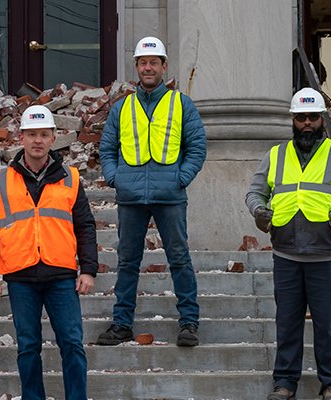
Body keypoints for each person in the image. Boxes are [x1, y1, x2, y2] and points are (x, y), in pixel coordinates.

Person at [246, 88, 331, 400]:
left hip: (326, 255)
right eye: (301, 117)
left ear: (322, 120)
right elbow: (254, 193)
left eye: (312, 117)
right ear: (293, 120)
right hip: (286, 255)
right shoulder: (275, 156)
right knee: (286, 324)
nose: (306, 123)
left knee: (327, 326)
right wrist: (259, 211)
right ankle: (285, 383)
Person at [0, 105, 98, 400]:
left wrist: (88, 269)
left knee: (71, 343)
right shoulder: (3, 180)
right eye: (32, 134)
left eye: (44, 134)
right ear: (21, 137)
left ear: (53, 138)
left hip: (60, 275)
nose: (37, 141)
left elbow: (84, 225)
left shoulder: (70, 178)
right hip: (20, 275)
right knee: (28, 347)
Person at [97, 36, 207, 347]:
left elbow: (197, 147)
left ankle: (188, 323)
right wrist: (114, 177)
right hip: (131, 197)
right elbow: (107, 148)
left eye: (154, 62)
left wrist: (180, 178)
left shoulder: (181, 104)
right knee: (127, 261)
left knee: (179, 259)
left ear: (164, 67)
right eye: (143, 63)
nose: (148, 67)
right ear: (136, 67)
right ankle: (121, 324)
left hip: (169, 195)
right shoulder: (122, 108)